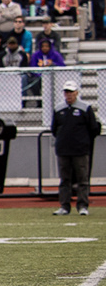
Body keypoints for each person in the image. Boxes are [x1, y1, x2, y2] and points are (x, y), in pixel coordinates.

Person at [51, 79, 99, 216]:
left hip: (80, 150)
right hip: (63, 150)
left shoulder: (85, 108)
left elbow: (93, 128)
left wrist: (83, 142)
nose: (69, 95)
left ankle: (83, 206)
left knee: (82, 179)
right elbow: (54, 129)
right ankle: (64, 206)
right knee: (64, 179)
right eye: (66, 92)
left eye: (71, 92)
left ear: (76, 92)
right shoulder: (59, 109)